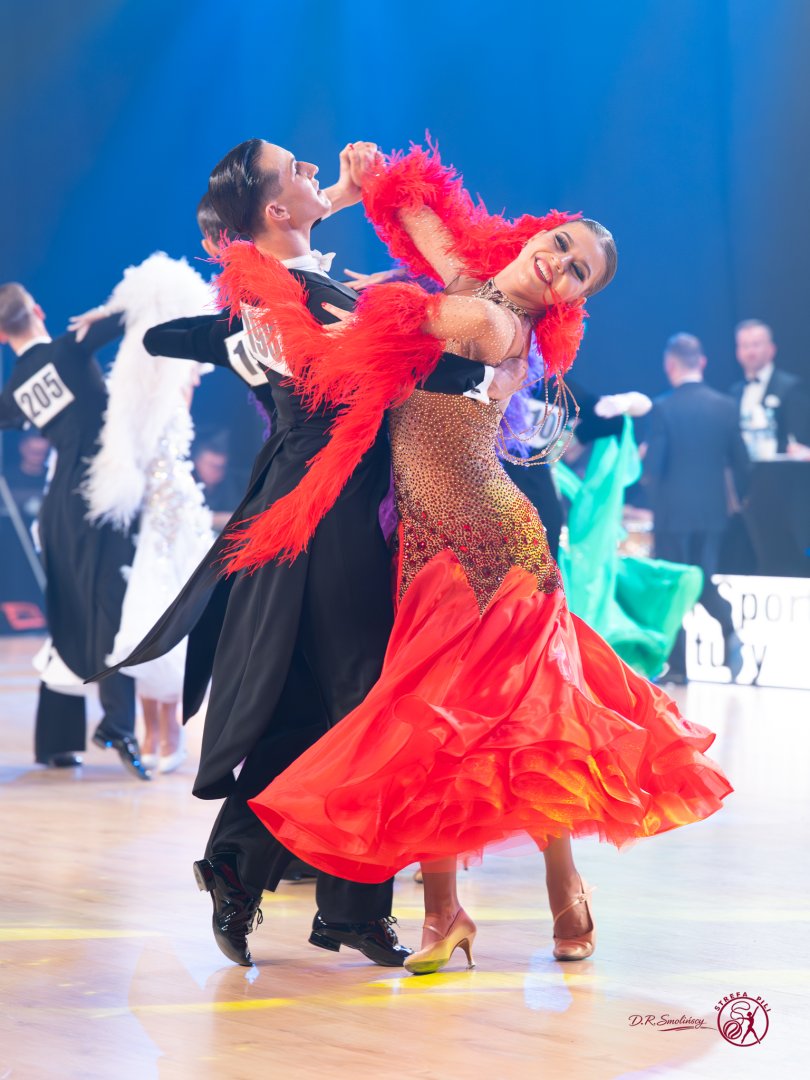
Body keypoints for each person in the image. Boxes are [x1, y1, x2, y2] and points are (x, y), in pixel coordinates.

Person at [224, 143, 733, 975]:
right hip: (428, 544)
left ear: (571, 300)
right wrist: (360, 183)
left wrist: (339, 295)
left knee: (526, 721)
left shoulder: (496, 323)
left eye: (578, 270)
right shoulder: (474, 284)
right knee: (439, 726)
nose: (559, 261)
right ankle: (448, 912)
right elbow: (415, 215)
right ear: (538, 233)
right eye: (562, 242)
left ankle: (561, 891)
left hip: (495, 546)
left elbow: (404, 313)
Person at [96, 138, 526, 969]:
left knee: (305, 703)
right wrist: (490, 370)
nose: (313, 174)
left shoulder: (279, 287)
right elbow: (411, 363)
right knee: (367, 702)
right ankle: (347, 906)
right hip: (331, 514)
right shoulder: (306, 297)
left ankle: (244, 868)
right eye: (298, 170)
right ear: (273, 208)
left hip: (299, 506)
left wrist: (344, 199)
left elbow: (270, 288)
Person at [73, 253, 216, 774]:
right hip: (156, 510)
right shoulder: (141, 386)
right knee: (148, 615)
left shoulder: (176, 377)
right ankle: (156, 732)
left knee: (166, 610)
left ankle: (167, 733)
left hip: (173, 507)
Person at [0, 283, 148, 777]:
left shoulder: (17, 387)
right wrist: (103, 312)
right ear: (39, 311)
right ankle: (118, 725)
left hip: (60, 506)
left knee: (67, 614)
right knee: (109, 608)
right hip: (100, 497)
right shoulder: (68, 348)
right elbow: (139, 306)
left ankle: (57, 742)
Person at [644, 333, 750, 682]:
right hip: (712, 513)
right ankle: (728, 627)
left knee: (675, 585)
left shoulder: (664, 407)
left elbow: (654, 468)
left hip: (672, 513)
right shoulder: (726, 406)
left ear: (669, 365)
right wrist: (740, 501)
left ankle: (679, 668)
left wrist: (649, 494)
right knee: (702, 577)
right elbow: (742, 463)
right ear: (702, 362)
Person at [730, 319, 810, 456]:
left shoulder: (790, 387)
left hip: (779, 467)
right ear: (737, 352)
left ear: (771, 349)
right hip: (745, 468)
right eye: (744, 345)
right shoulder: (734, 392)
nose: (750, 351)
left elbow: (798, 441)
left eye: (756, 344)